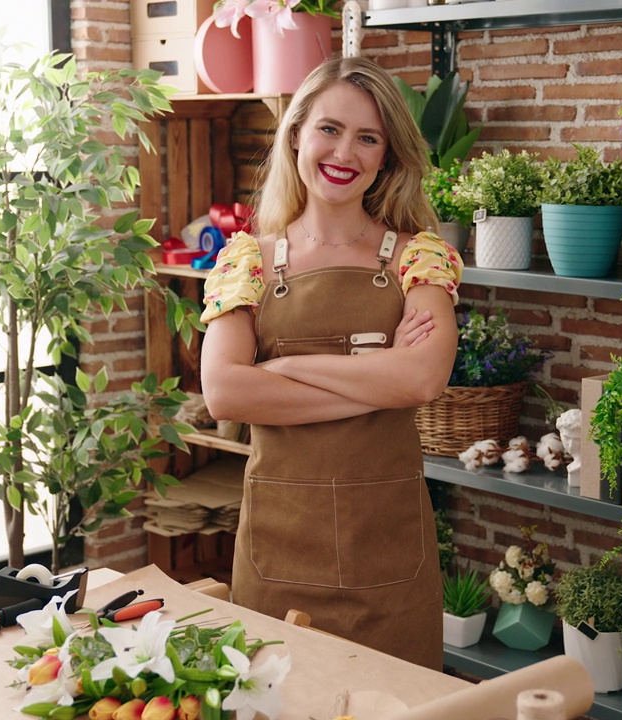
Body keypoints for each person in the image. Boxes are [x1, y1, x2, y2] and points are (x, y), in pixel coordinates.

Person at [198, 56, 464, 670]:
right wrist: (382, 380)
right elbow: (225, 394)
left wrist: (285, 370)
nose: (345, 151)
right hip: (279, 552)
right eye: (329, 129)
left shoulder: (419, 256)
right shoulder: (249, 259)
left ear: (386, 155)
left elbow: (423, 377)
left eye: (368, 137)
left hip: (390, 555)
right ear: (296, 135)